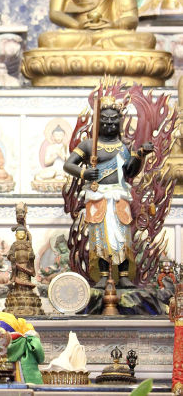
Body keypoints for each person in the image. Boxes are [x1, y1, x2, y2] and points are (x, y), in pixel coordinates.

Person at [63, 96, 153, 288]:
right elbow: (68, 165)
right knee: (100, 238)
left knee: (122, 237)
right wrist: (84, 173)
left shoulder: (124, 145)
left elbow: (130, 171)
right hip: (98, 197)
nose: (110, 123)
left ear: (120, 122)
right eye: (105, 120)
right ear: (97, 122)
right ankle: (103, 275)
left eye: (114, 120)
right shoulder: (89, 145)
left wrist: (140, 155)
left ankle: (124, 275)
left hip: (119, 196)